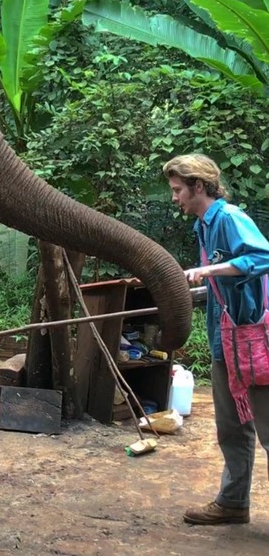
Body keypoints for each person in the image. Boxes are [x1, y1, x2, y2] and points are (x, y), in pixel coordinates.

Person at [163, 153, 269, 525]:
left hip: (256, 344)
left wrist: (206, 270)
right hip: (226, 341)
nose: (175, 198)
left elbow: (262, 256)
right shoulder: (203, 227)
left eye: (179, 190)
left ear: (199, 186)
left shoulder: (229, 219)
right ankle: (233, 502)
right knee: (231, 426)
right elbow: (226, 280)